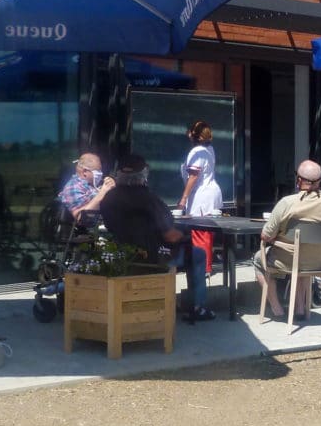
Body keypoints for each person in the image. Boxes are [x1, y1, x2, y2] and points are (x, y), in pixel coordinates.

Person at [100, 154, 214, 321]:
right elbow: (170, 236)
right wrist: (183, 234)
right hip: (154, 257)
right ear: (144, 175)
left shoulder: (108, 199)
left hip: (122, 255)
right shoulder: (149, 199)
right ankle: (197, 307)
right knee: (198, 254)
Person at [254, 160, 321, 320]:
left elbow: (266, 236)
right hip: (318, 262)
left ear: (299, 180)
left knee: (258, 259)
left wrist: (278, 235)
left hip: (286, 260)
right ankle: (300, 309)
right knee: (304, 257)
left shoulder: (287, 203)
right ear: (320, 181)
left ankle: (277, 309)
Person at [177, 120, 223, 273]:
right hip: (211, 193)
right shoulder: (210, 149)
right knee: (206, 232)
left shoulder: (196, 153)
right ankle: (205, 266)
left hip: (201, 195)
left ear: (192, 135)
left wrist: (183, 198)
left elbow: (194, 176)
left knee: (200, 231)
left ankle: (203, 268)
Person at [58, 153, 115, 220]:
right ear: (84, 171)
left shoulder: (90, 185)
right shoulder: (73, 188)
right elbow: (82, 218)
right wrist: (103, 191)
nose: (101, 173)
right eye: (97, 171)